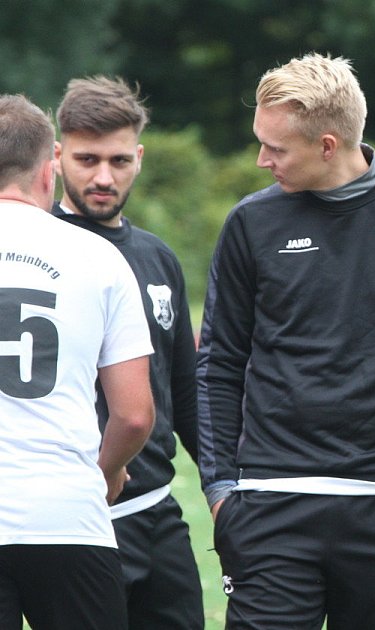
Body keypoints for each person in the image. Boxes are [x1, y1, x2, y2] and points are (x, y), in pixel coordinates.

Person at [196, 53, 375, 629]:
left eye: (276, 148)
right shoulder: (250, 222)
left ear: (328, 145)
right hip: (269, 506)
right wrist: (223, 494)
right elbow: (218, 366)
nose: (261, 159)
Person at [51, 75, 204, 630]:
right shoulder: (36, 251)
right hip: (74, 516)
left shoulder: (158, 258)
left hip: (158, 512)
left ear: (138, 157)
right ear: (57, 154)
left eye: (118, 160)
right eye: (87, 159)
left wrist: (223, 492)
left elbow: (184, 393)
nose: (102, 177)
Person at [0, 93, 155, 629]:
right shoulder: (100, 258)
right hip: (65, 514)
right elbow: (134, 414)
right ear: (49, 171)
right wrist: (105, 474)